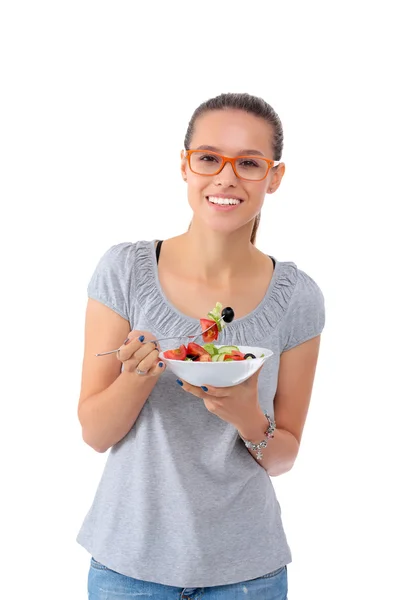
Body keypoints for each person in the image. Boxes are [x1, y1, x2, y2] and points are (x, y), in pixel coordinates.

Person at [76, 92, 325, 599]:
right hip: (127, 568)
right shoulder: (124, 270)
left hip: (247, 575)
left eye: (250, 163)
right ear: (185, 166)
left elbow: (283, 458)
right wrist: (136, 378)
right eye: (209, 157)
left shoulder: (298, 297)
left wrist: (246, 415)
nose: (226, 177)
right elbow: (95, 434)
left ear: (274, 177)